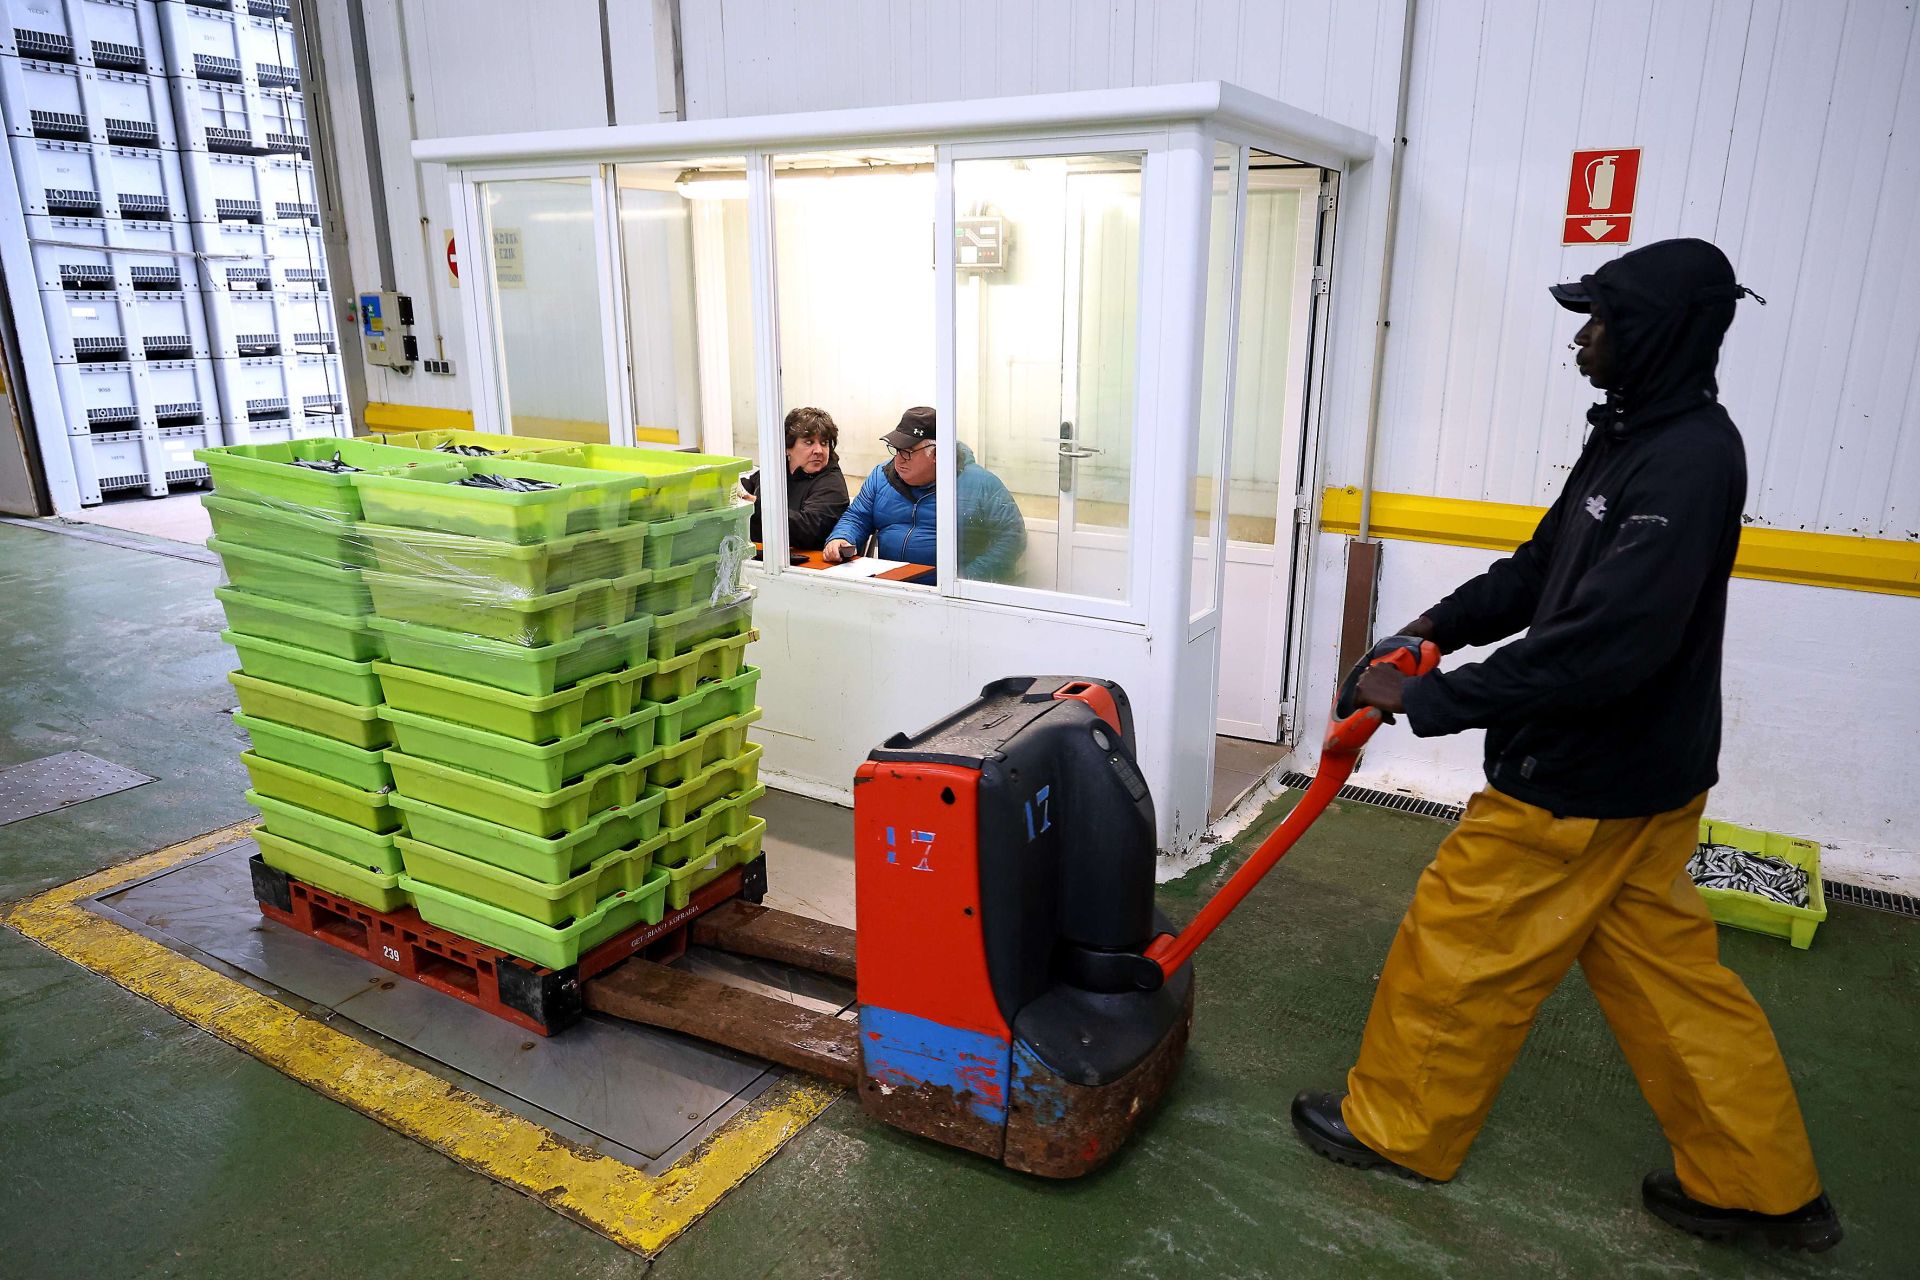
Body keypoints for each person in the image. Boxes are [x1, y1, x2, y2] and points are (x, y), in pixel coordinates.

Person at [1291, 239, 1841, 1253]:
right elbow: (1541, 570)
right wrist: (1428, 631)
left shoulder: (1687, 460)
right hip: (1648, 783)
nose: (1583, 341)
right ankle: (1761, 1186)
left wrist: (1434, 701)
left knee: (1461, 951)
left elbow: (1605, 648)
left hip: (1578, 785)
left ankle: (1401, 1127)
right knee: (1671, 984)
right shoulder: (1635, 438)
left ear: (1657, 334)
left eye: (1601, 322)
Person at [822, 406, 1025, 584]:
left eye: (908, 451)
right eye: (897, 449)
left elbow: (1011, 538)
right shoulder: (881, 476)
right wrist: (841, 537)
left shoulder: (980, 484)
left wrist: (965, 579)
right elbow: (857, 517)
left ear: (937, 453)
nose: (899, 459)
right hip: (890, 586)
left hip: (949, 595)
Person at [742, 406, 850, 552]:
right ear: (788, 447)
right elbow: (747, 488)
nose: (818, 450)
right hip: (762, 558)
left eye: (824, 443)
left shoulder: (831, 482)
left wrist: (757, 506)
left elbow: (808, 530)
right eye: (809, 442)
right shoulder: (776, 470)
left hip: (806, 567)